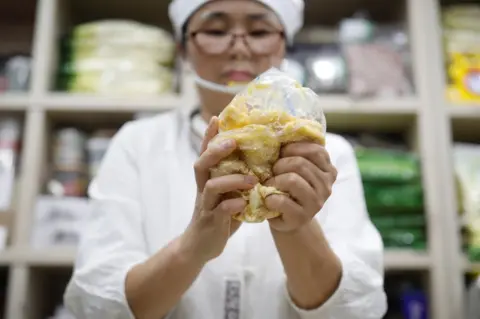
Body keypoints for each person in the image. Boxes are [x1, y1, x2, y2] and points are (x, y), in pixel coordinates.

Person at [63, 0, 387, 318]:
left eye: (259, 32)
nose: (239, 48)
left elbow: (356, 310)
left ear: (284, 45)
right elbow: (100, 306)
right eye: (216, 31)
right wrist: (193, 247)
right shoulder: (138, 144)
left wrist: (295, 228)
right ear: (183, 49)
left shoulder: (326, 154)